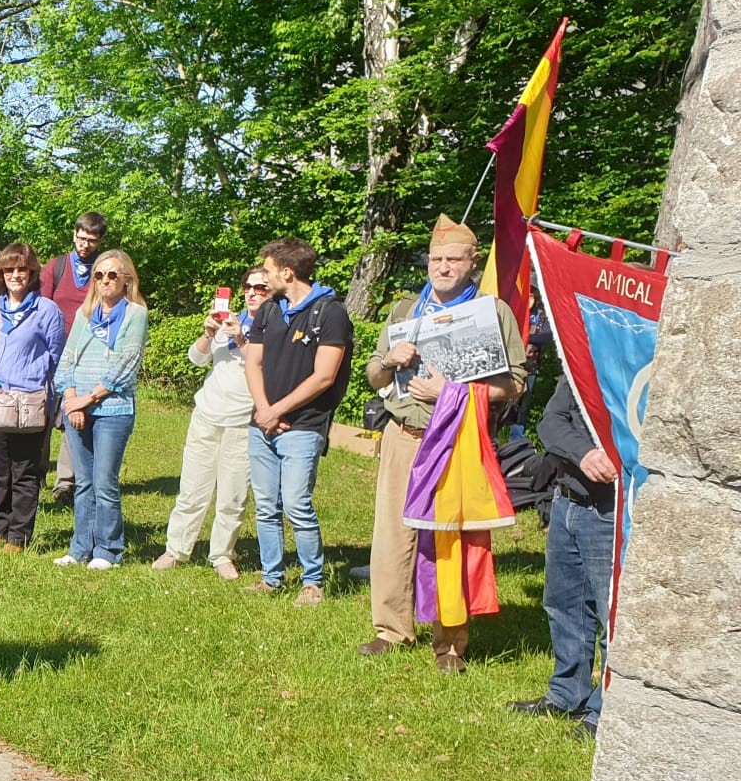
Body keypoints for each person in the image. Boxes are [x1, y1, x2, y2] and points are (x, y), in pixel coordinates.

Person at [360, 216, 527, 670]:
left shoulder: (493, 313)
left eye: (454, 259)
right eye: (436, 259)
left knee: (448, 539)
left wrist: (449, 394)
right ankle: (390, 629)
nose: (444, 267)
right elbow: (373, 376)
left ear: (473, 262)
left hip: (457, 437)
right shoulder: (403, 311)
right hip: (403, 436)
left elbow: (514, 384)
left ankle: (450, 643)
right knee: (393, 535)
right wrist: (389, 362)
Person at [242, 236, 353, 603]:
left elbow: (324, 375)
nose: (263, 278)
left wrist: (279, 410)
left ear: (287, 272)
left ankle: (312, 581)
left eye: (269, 271)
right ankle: (271, 576)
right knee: (266, 504)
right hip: (263, 423)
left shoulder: (330, 311)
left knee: (295, 503)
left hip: (303, 424)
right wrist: (263, 409)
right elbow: (252, 361)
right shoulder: (271, 308)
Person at [509, 376, 615, 737]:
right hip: (566, 500)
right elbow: (550, 421)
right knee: (563, 604)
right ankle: (567, 694)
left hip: (610, 510)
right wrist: (583, 453)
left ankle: (604, 712)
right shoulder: (580, 361)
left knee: (610, 616)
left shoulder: (635, 363)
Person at [153, 270, 269, 578]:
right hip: (206, 414)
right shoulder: (229, 318)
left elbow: (266, 367)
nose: (253, 292)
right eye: (248, 286)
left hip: (243, 421)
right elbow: (196, 359)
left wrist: (241, 337)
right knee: (191, 488)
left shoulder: (275, 326)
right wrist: (208, 332)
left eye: (261, 287)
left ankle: (221, 555)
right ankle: (176, 550)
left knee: (233, 495)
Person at [50, 249, 148, 569]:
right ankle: (80, 548)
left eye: (112, 275)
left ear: (125, 280)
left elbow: (127, 363)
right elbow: (66, 360)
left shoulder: (135, 314)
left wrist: (88, 398)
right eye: (99, 275)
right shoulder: (85, 313)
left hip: (113, 410)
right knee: (84, 483)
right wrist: (71, 400)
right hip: (78, 408)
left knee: (105, 481)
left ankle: (108, 550)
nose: (105, 280)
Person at [0, 242, 67, 553]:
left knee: (24, 471)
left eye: (21, 269)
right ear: (0, 274)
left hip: (30, 403)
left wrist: (30, 379)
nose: (15, 275)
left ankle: (19, 535)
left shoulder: (47, 311)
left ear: (32, 273)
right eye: (8, 269)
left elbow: (55, 356)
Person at [40, 211, 107, 503]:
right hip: (50, 353)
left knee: (73, 416)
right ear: (74, 234)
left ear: (100, 241)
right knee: (39, 415)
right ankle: (34, 473)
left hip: (86, 356)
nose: (85, 245)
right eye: (81, 238)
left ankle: (65, 482)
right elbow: (40, 308)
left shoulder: (106, 272)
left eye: (91, 240)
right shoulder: (55, 267)